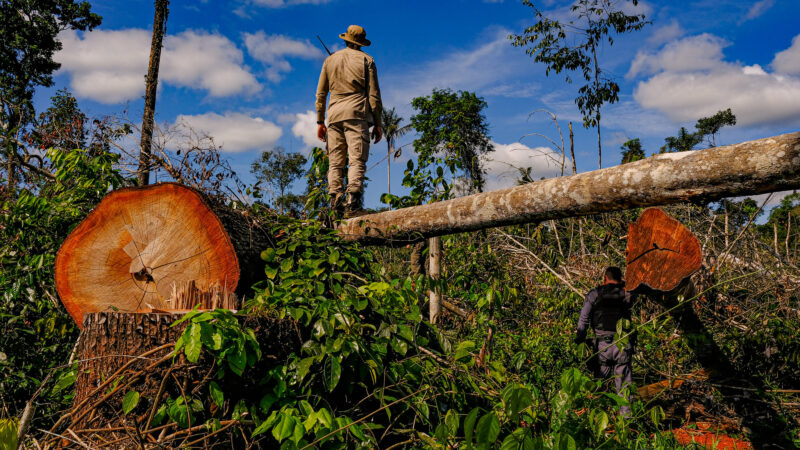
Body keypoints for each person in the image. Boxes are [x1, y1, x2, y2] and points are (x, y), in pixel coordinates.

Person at [315, 24, 383, 217]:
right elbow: (374, 96)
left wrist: (320, 122)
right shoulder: (367, 60)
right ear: (361, 43)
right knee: (356, 160)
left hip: (334, 116)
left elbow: (321, 94)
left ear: (345, 39)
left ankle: (334, 204)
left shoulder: (330, 60)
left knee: (335, 162)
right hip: (357, 114)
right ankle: (352, 204)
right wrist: (378, 123)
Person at [574, 266, 635, 415]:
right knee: (624, 388)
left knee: (599, 387)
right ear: (620, 279)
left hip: (602, 346)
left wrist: (580, 340)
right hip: (622, 345)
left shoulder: (594, 294)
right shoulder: (626, 294)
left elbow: (584, 319)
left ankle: (596, 420)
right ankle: (626, 423)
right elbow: (632, 294)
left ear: (605, 278)